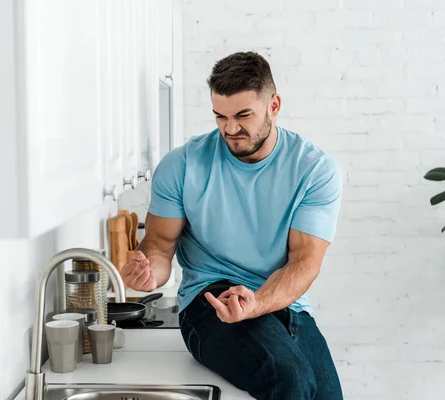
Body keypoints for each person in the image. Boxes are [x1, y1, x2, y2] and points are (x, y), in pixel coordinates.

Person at [119, 51, 344, 400]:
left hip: (280, 299)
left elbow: (305, 262)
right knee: (290, 379)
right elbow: (160, 247)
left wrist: (256, 303)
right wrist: (151, 273)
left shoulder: (314, 170)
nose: (230, 128)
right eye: (220, 116)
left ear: (274, 105)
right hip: (209, 299)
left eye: (243, 115)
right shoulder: (182, 165)